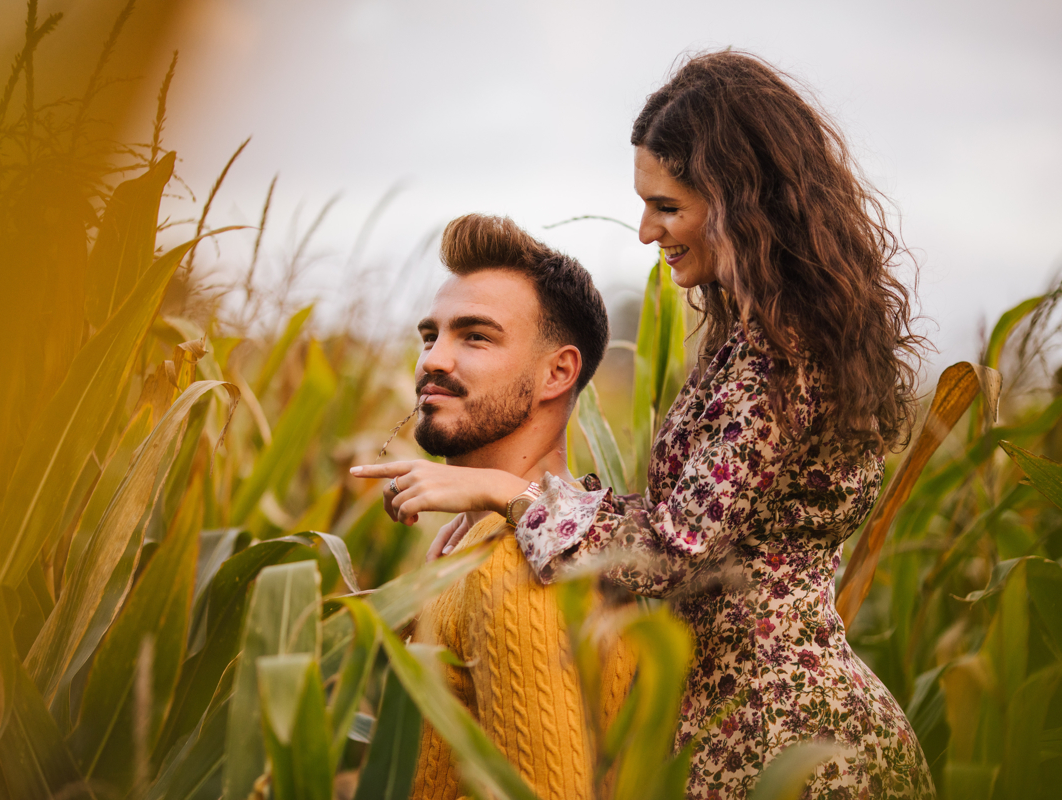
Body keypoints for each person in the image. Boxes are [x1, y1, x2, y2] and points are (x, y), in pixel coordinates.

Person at [354, 51, 936, 799]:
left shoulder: (779, 358)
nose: (644, 231)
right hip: (740, 718)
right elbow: (684, 525)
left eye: (666, 206)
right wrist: (516, 501)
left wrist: (511, 494)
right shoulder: (763, 344)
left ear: (737, 201)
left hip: (781, 741)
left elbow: (674, 551)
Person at [352, 214, 636, 800]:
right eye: (430, 336)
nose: (433, 360)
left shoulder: (517, 566)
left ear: (558, 372)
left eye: (475, 336)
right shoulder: (502, 541)